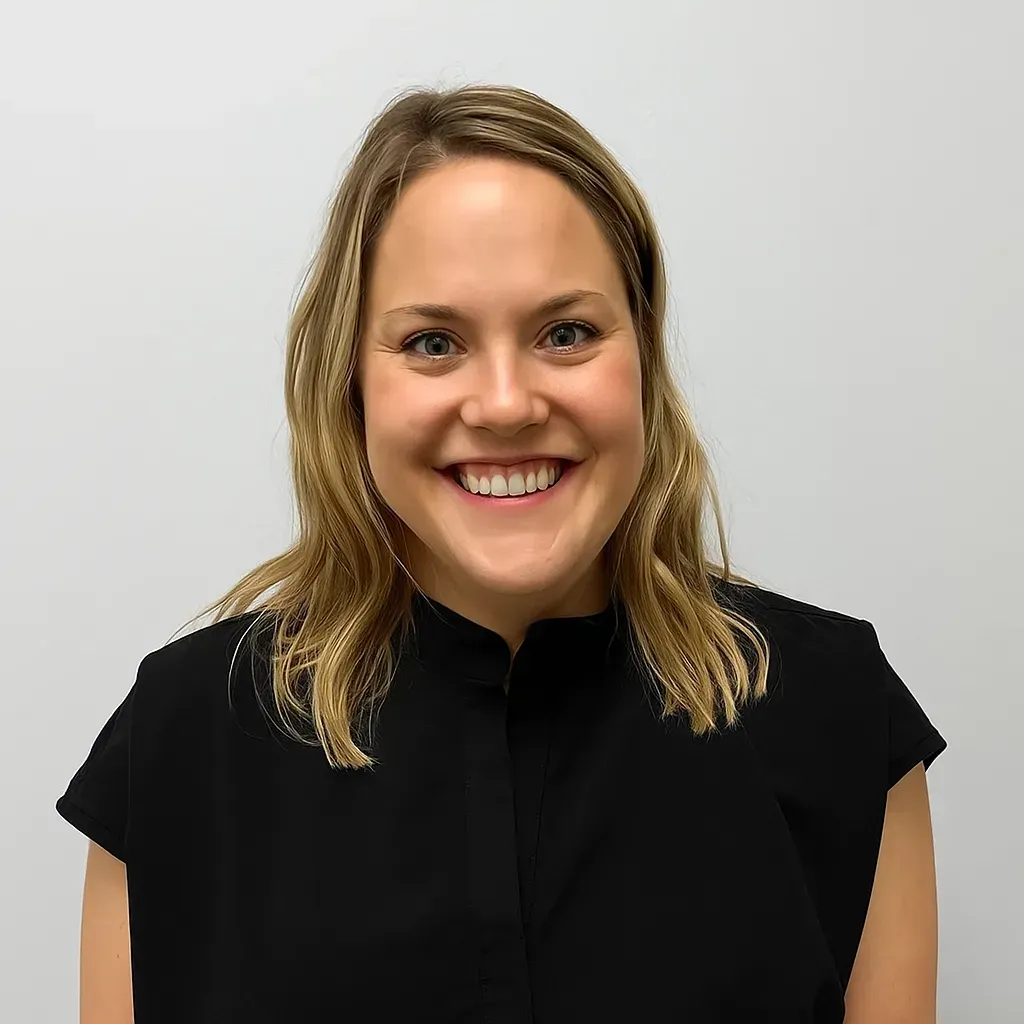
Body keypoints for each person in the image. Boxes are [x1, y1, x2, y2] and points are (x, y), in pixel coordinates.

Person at [57, 83, 947, 1024]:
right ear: (351, 380)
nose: (507, 403)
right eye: (433, 342)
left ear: (642, 355)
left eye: (566, 333)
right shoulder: (176, 745)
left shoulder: (839, 717)